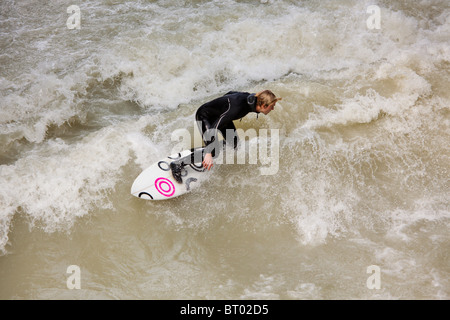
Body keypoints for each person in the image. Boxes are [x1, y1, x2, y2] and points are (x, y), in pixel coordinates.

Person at [170, 90, 282, 183]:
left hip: (223, 117)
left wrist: (222, 108)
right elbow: (215, 126)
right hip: (206, 116)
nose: (272, 109)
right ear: (263, 105)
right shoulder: (237, 107)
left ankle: (209, 148)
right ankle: (177, 164)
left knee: (235, 145)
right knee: (213, 151)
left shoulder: (251, 99)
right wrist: (209, 153)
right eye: (272, 106)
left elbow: (230, 93)